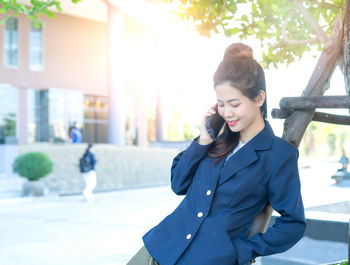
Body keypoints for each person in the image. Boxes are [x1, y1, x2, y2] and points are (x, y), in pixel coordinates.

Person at [126, 43, 306, 265]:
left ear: (259, 99)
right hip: (161, 248)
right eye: (221, 104)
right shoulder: (216, 138)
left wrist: (243, 250)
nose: (227, 113)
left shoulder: (278, 155)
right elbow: (178, 184)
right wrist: (203, 140)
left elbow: (294, 223)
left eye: (234, 104)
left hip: (211, 259)